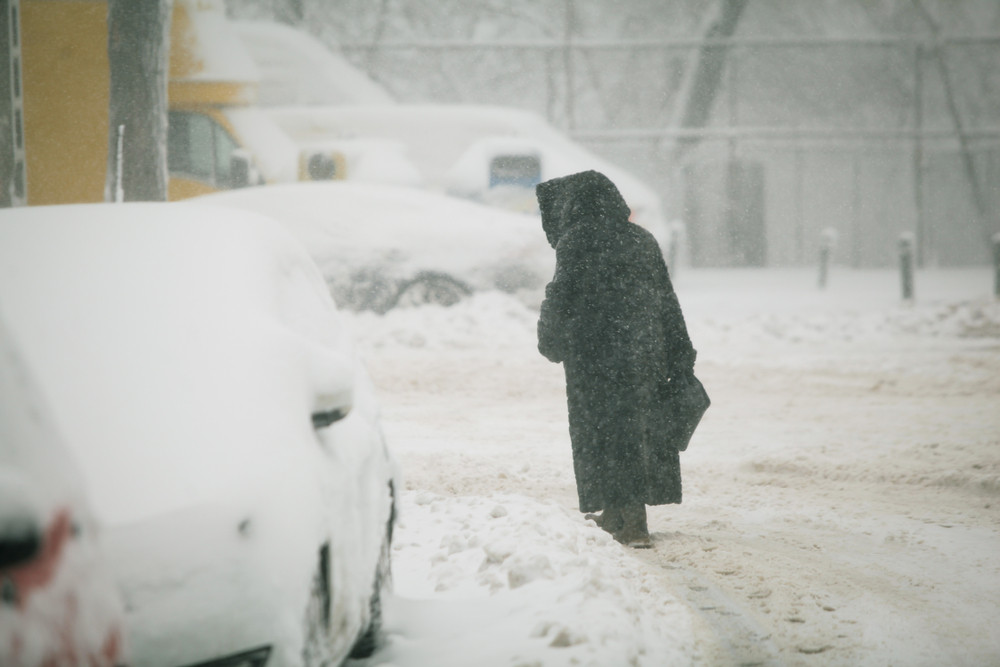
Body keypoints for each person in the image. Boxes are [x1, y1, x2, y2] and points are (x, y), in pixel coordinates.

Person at [536, 170, 697, 549]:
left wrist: (550, 339)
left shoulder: (578, 240)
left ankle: (631, 524)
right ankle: (620, 513)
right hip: (645, 354)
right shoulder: (642, 239)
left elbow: (562, 295)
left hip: (594, 356)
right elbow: (667, 301)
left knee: (601, 436)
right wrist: (679, 353)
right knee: (636, 432)